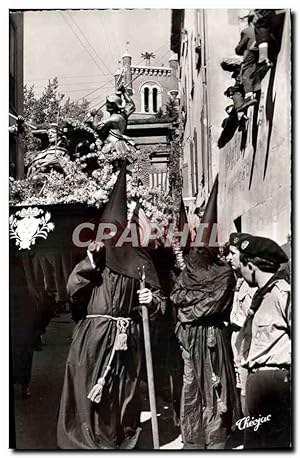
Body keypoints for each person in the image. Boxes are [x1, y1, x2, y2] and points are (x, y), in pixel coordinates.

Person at [57, 161, 166, 449]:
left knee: (123, 394)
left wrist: (151, 300)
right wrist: (90, 262)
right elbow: (72, 291)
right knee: (89, 392)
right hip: (92, 340)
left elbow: (161, 302)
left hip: (125, 341)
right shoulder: (93, 260)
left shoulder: (141, 262)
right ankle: (88, 445)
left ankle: (117, 443)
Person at [170, 246, 240, 449]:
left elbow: (214, 303)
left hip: (211, 336)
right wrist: (200, 295)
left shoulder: (224, 274)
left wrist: (188, 306)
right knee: (191, 383)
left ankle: (215, 435)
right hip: (189, 338)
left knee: (214, 381)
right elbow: (176, 297)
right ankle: (194, 436)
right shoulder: (187, 272)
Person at [237, 234, 291, 449]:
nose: (240, 272)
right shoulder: (260, 296)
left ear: (250, 266)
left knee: (274, 445)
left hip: (275, 383)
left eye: (241, 265)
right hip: (256, 382)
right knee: (254, 445)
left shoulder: (282, 294)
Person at [226, 233, 256, 415]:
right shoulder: (239, 280)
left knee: (248, 392)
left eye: (232, 253)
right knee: (242, 388)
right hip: (239, 344)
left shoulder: (253, 284)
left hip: (249, 346)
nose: (229, 257)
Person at [96, 84, 136, 160]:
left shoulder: (111, 119)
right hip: (121, 143)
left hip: (112, 145)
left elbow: (97, 128)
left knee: (104, 163)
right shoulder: (123, 115)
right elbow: (131, 106)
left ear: (114, 105)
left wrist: (96, 116)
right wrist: (124, 93)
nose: (106, 105)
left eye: (109, 103)